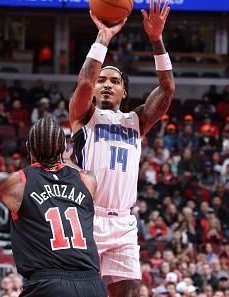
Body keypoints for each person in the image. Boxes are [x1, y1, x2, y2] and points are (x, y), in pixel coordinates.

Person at [69, 1, 175, 296]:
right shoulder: (84, 116)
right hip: (87, 217)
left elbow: (167, 90)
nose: (106, 84)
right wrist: (103, 37)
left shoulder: (137, 121)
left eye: (114, 81)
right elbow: (84, 82)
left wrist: (156, 40)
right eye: (102, 80)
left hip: (124, 224)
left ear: (124, 91)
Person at [0, 118, 107, 297]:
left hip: (49, 285)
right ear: (63, 148)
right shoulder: (87, 180)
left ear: (28, 147)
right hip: (93, 285)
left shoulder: (15, 183)